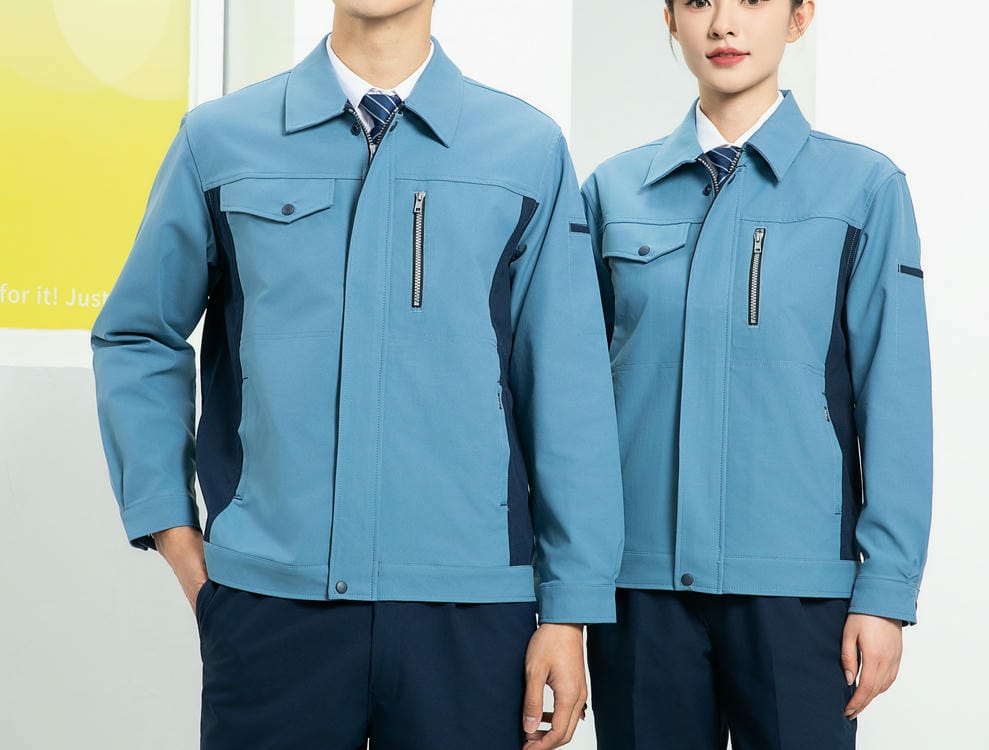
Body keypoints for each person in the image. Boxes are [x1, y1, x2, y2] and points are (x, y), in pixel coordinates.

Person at [91, 1, 624, 748]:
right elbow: (138, 333)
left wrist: (569, 611)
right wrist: (176, 537)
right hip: (272, 607)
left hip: (471, 613)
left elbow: (567, 389)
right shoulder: (219, 140)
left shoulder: (525, 150)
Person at [582, 1, 932, 748]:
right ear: (669, 20)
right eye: (698, 3)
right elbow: (572, 404)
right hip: (639, 589)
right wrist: (567, 585)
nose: (723, 25)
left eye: (751, 0)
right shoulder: (612, 191)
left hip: (799, 592)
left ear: (799, 17)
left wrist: (886, 589)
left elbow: (895, 401)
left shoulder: (864, 188)